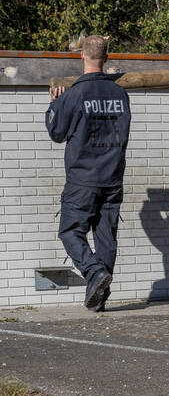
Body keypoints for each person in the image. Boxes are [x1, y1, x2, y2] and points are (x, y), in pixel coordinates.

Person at [46, 35, 131, 312]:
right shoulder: (120, 94)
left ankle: (94, 272)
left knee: (70, 232)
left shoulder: (74, 95)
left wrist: (55, 104)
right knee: (106, 239)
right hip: (113, 179)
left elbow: (56, 133)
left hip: (83, 180)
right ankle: (99, 301)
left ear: (82, 55)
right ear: (107, 58)